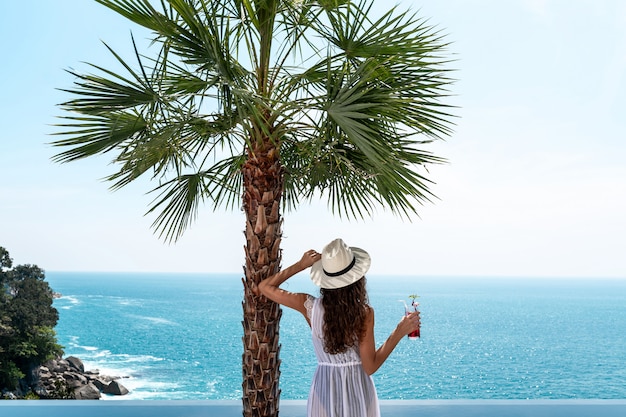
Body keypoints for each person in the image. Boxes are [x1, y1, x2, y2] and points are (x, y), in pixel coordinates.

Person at [258, 238, 421, 417]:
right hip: (357, 391)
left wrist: (301, 265)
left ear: (325, 280)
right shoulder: (364, 314)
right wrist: (399, 331)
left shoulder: (309, 307)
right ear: (357, 279)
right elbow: (370, 367)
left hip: (323, 391)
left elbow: (265, 287)